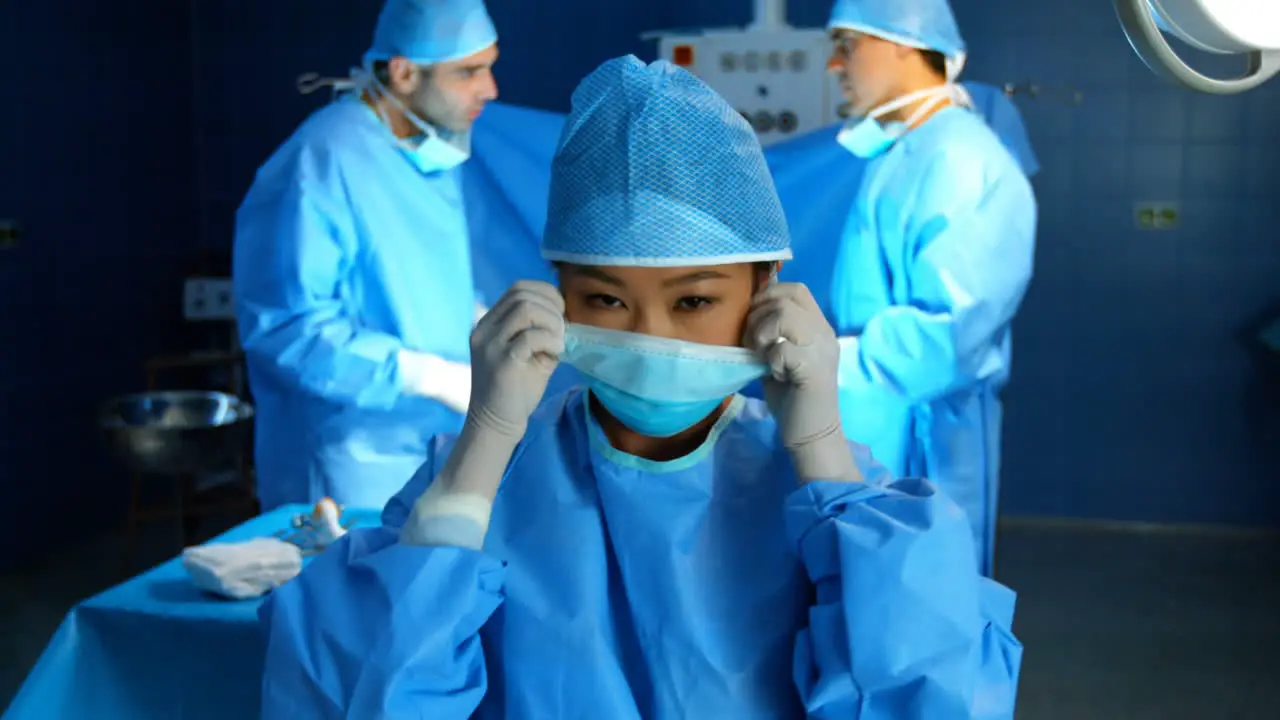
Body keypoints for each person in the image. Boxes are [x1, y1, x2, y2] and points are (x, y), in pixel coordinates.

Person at [258, 55, 1022, 719]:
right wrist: (481, 453)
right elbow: (368, 696)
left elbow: (922, 699)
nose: (652, 337)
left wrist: (823, 458)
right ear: (555, 295)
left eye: (694, 301)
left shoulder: (841, 509)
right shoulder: (483, 488)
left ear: (766, 292)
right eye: (606, 300)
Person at [233, 0, 499, 511]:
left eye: (490, 66)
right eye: (469, 71)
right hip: (349, 466)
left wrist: (481, 324)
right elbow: (289, 331)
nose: (489, 89)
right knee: (351, 587)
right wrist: (431, 377)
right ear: (403, 73)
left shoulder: (428, 158)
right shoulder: (321, 162)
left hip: (433, 447)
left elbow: (416, 281)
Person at [824, 0, 1038, 577]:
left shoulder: (964, 161)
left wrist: (823, 365)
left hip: (926, 450)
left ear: (902, 42)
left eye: (847, 45)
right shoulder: (902, 153)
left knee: (923, 620)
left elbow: (947, 336)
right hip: (876, 434)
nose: (833, 65)